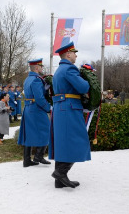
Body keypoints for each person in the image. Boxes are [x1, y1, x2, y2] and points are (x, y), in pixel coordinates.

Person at [49, 42, 90, 189]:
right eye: (74, 53)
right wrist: (87, 78)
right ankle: (60, 172)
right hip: (70, 108)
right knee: (78, 140)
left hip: (61, 108)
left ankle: (59, 180)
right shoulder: (69, 69)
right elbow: (84, 87)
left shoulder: (60, 69)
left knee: (62, 143)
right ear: (68, 54)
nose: (76, 55)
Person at [17, 58, 51, 167]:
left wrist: (44, 89)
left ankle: (26, 160)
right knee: (47, 129)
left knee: (29, 133)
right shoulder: (36, 79)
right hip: (36, 109)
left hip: (28, 108)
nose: (42, 68)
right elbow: (39, 98)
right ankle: (38, 156)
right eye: (41, 66)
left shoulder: (27, 79)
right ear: (36, 67)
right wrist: (48, 108)